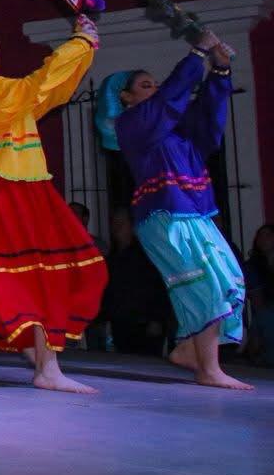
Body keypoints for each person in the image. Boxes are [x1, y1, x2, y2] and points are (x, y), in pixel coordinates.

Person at [0, 12, 107, 393]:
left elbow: (49, 94)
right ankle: (47, 366)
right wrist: (76, 44)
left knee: (63, 268)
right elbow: (29, 90)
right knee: (36, 274)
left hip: (26, 183)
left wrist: (84, 50)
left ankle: (42, 357)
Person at [104, 42, 253, 390]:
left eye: (156, 84)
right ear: (125, 97)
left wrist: (220, 70)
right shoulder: (133, 125)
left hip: (194, 212)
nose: (155, 90)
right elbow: (168, 100)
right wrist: (196, 56)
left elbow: (210, 119)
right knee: (207, 286)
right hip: (166, 214)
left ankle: (189, 349)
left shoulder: (178, 131)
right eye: (145, 85)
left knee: (229, 280)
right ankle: (208, 368)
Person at [95, 205, 171, 356]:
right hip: (121, 323)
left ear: (132, 226)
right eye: (114, 224)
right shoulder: (113, 258)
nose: (117, 228)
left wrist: (156, 319)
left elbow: (158, 288)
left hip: (144, 323)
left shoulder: (146, 256)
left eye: (121, 224)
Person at [248, 224, 274, 366]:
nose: (263, 240)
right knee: (266, 317)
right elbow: (258, 302)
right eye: (260, 236)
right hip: (266, 312)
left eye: (268, 235)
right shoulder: (253, 266)